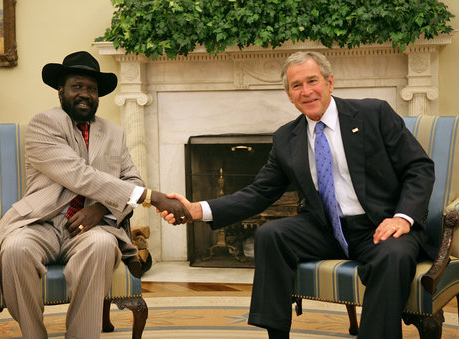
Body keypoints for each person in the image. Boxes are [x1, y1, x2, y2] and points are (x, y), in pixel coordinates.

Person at [162, 51, 435, 339]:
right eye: (296, 86)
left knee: (394, 256)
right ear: (288, 94)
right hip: (327, 229)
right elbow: (258, 192)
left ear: (329, 82)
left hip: (382, 225)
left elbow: (419, 167)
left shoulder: (373, 114)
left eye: (312, 81)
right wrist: (195, 210)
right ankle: (276, 334)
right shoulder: (286, 139)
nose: (306, 91)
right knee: (270, 234)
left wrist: (403, 218)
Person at [0, 51, 191, 338]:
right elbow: (79, 176)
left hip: (92, 229)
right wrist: (152, 197)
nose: (85, 94)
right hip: (41, 224)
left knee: (101, 246)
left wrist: (102, 210)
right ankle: (34, 334)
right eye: (77, 86)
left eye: (92, 89)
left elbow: (132, 178)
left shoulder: (114, 133)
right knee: (15, 250)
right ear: (61, 90)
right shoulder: (43, 125)